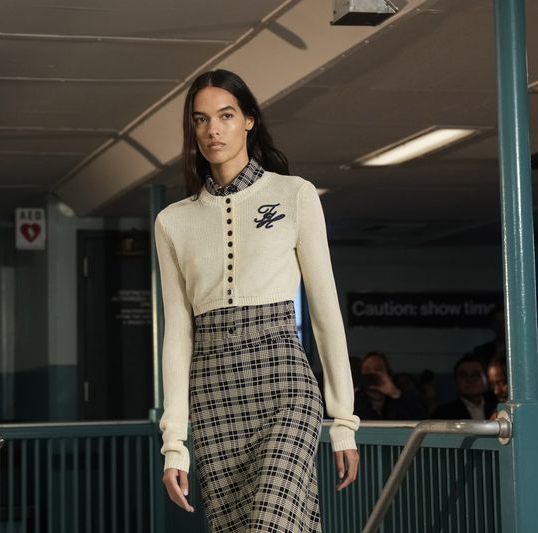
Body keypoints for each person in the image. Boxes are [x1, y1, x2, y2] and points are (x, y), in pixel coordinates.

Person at [154, 69, 360, 531]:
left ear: (249, 120)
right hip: (212, 394)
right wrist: (174, 441)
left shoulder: (295, 194)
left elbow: (326, 311)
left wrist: (343, 419)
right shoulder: (172, 221)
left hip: (284, 385)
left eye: (226, 115)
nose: (213, 130)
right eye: (201, 119)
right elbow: (178, 336)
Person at [354, 352, 426, 420]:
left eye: (378, 369)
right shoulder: (355, 400)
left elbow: (421, 421)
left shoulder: (406, 398)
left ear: (388, 374)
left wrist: (395, 394)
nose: (372, 373)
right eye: (367, 370)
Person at [433, 354, 497, 420]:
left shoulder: (497, 409)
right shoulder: (443, 413)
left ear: (486, 378)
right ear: (456, 381)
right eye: (463, 375)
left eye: (476, 374)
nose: (470, 380)